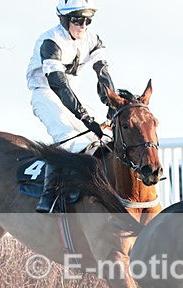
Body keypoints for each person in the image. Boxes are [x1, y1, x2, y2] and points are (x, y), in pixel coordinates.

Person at [26, 0, 116, 212]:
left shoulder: (92, 39)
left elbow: (102, 74)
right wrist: (85, 117)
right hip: (46, 92)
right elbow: (58, 84)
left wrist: (112, 107)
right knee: (67, 137)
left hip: (73, 95)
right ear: (64, 19)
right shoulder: (50, 41)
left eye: (88, 20)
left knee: (102, 139)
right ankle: (49, 196)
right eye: (77, 19)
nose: (83, 25)